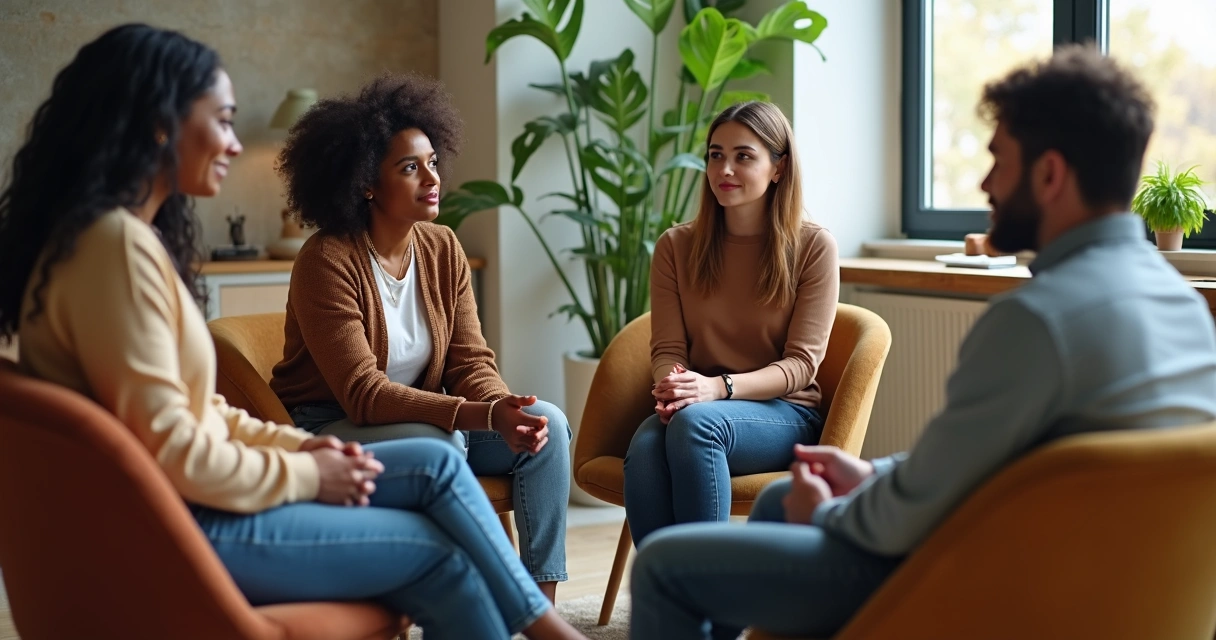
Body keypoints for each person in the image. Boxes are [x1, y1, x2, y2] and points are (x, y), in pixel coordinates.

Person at [0, 24, 585, 640]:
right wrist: (308, 470)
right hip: (178, 526)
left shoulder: (107, 241)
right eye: (222, 120)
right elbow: (176, 446)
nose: (232, 142)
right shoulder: (116, 249)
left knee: (447, 475)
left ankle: (542, 618)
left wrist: (299, 452)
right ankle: (546, 628)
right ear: (160, 126)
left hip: (180, 507)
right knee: (445, 539)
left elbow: (198, 415)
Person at [627, 45, 1216, 640]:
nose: (984, 184)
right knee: (778, 507)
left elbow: (912, 512)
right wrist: (873, 471)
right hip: (1115, 585)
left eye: (998, 162)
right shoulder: (1186, 310)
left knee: (663, 567)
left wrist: (831, 510)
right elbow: (995, 460)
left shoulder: (1036, 322)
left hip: (983, 579)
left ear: (1050, 174)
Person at [268, 72, 572, 602]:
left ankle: (538, 604)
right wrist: (481, 417)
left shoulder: (443, 246)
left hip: (431, 418)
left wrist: (505, 407)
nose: (431, 178)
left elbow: (470, 361)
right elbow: (364, 395)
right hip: (332, 426)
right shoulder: (326, 260)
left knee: (551, 427)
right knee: (443, 443)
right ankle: (463, 599)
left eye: (432, 162)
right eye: (410, 167)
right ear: (366, 182)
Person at [623, 101, 840, 545]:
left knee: (696, 425)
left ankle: (715, 598)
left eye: (744, 155)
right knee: (645, 448)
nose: (725, 168)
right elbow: (667, 349)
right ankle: (670, 597)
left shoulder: (814, 246)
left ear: (778, 168)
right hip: (696, 406)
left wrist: (715, 388)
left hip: (784, 412)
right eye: (715, 154)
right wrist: (676, 389)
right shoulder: (675, 246)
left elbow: (801, 365)